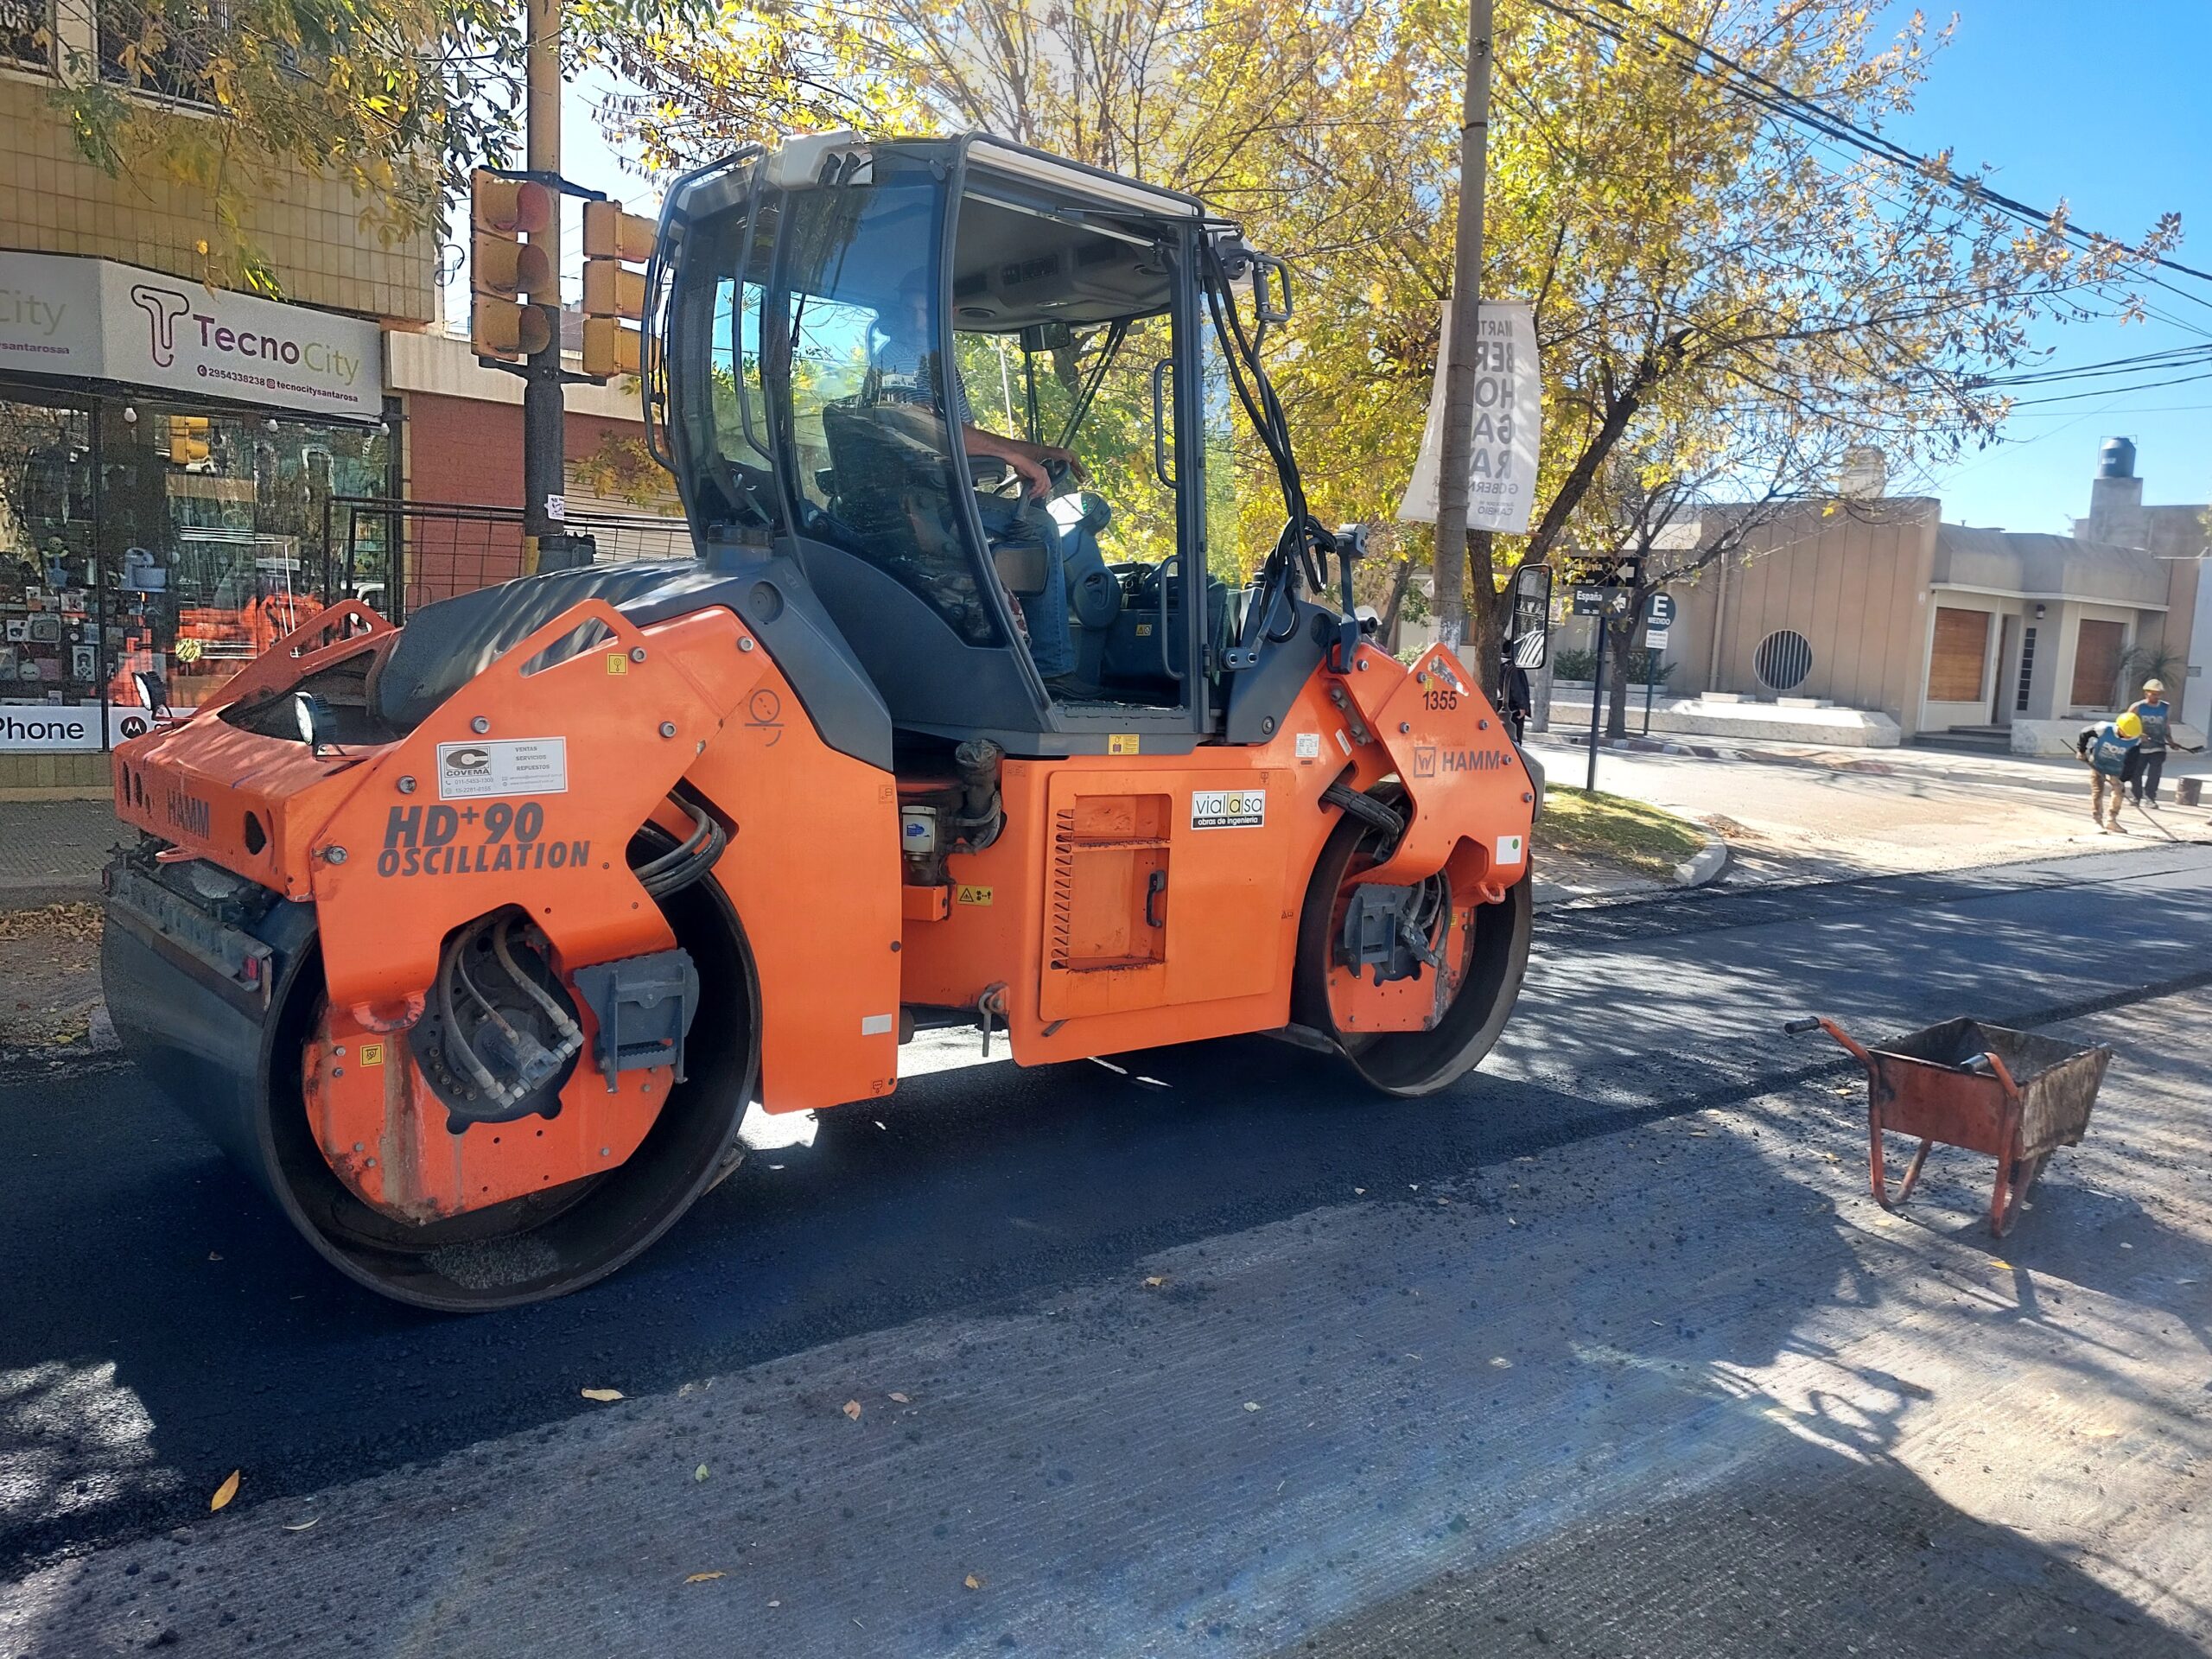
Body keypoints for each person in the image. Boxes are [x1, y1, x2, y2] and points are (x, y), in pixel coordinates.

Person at [868, 275, 1085, 686]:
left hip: (939, 490)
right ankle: (1052, 668)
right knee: (1040, 530)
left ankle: (1008, 646)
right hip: (919, 497)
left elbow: (966, 434)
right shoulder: (897, 356)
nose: (920, 318)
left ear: (950, 312)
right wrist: (1012, 457)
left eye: (929, 308)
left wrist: (1038, 452)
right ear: (899, 313)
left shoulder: (937, 361)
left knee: (1020, 527)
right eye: (912, 309)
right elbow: (923, 428)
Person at [2076, 710, 2141, 834]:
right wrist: (2081, 751)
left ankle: (2112, 820)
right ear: (2120, 728)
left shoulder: (2135, 740)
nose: (2129, 737)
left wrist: (2124, 778)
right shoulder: (2104, 728)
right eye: (2127, 734)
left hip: (2117, 767)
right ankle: (2097, 821)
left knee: (2118, 792)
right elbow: (2084, 733)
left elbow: (2133, 761)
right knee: (2097, 791)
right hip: (2098, 763)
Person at [2125, 677, 2176, 809]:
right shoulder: (2137, 707)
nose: (2156, 696)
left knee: (2155, 773)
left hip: (2158, 746)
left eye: (2158, 694)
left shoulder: (2166, 707)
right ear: (2146, 693)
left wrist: (2170, 740)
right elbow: (2125, 725)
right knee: (2136, 773)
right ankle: (2136, 796)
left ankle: (2150, 798)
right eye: (2153, 693)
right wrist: (2139, 735)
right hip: (2139, 746)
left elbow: (2166, 725)